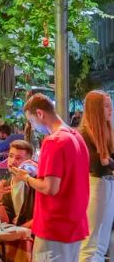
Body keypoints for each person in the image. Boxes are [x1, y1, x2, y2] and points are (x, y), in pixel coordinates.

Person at [9, 93, 90, 261]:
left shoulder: (53, 141)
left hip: (54, 225)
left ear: (40, 114)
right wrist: (38, 171)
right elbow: (67, 177)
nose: (33, 127)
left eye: (31, 121)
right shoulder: (77, 138)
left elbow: (50, 188)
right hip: (75, 223)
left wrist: (26, 178)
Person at [78, 90, 114, 261]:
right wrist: (106, 162)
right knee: (91, 241)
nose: (110, 109)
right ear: (96, 109)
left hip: (106, 184)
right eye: (106, 106)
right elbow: (99, 166)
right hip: (95, 185)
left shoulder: (105, 133)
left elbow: (107, 162)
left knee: (101, 241)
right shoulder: (85, 135)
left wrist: (108, 162)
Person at [0, 140, 36, 227]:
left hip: (34, 234)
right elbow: (4, 221)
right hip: (13, 232)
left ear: (28, 161)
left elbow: (43, 216)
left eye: (18, 158)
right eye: (10, 156)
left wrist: (21, 230)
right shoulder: (5, 185)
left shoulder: (35, 183)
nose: (12, 161)